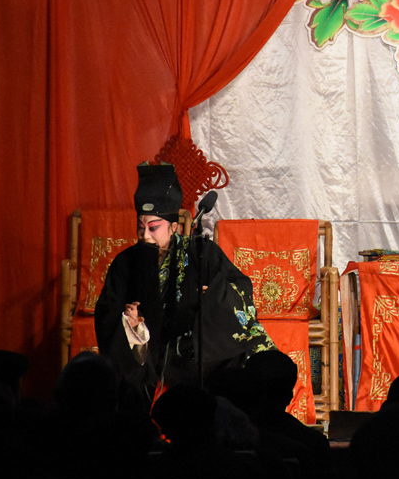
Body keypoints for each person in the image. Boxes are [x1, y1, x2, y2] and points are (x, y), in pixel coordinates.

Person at [95, 162, 275, 407]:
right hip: (148, 350)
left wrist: (213, 297)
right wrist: (130, 324)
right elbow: (107, 311)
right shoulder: (125, 262)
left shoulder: (200, 251)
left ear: (173, 227)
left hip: (196, 347)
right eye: (140, 227)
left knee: (247, 360)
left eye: (153, 228)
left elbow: (240, 287)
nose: (145, 235)